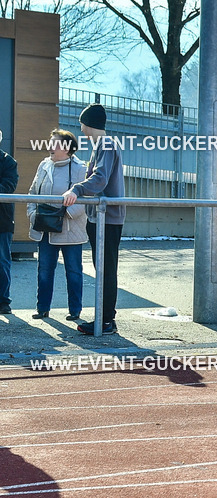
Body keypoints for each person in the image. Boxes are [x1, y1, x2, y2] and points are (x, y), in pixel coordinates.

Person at [61, 104, 125, 335]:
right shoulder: (103, 145)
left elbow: (100, 179)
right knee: (104, 269)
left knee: (106, 270)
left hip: (107, 218)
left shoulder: (106, 145)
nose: (82, 130)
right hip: (101, 218)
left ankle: (106, 321)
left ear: (87, 125)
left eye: (82, 125)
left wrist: (76, 189)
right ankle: (106, 319)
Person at [27, 129, 88, 320]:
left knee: (74, 271)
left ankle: (75, 311)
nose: (50, 147)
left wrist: (66, 214)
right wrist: (32, 214)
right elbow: (32, 193)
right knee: (44, 270)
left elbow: (86, 198)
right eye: (50, 142)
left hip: (70, 229)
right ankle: (42, 308)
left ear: (68, 148)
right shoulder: (44, 165)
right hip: (45, 229)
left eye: (55, 143)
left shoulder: (80, 168)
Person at [0, 129, 18, 315]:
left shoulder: (8, 162)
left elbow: (9, 186)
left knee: (2, 261)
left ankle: (3, 301)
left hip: (2, 221)